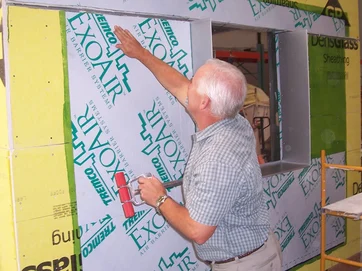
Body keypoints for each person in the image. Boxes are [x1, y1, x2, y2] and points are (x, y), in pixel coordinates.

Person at [114, 25, 282, 271]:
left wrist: (159, 197)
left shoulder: (217, 158)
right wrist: (141, 54)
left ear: (204, 103)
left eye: (194, 82)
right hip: (256, 254)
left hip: (245, 266)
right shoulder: (233, 120)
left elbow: (198, 231)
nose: (188, 83)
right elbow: (178, 85)